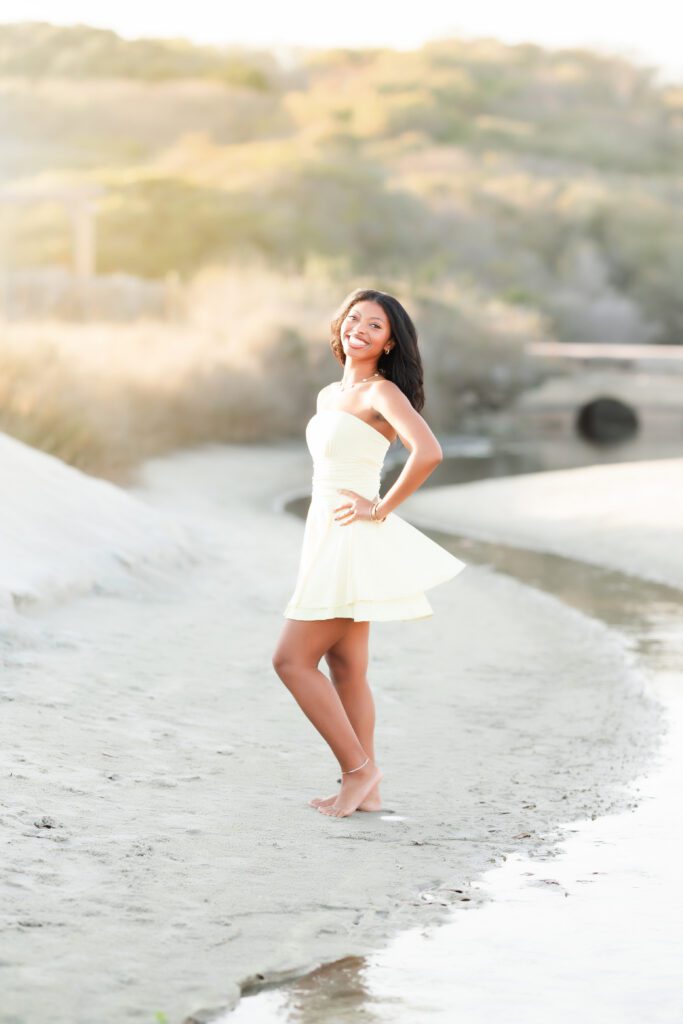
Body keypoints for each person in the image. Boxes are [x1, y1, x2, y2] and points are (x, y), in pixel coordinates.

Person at [271, 288, 467, 818]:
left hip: (351, 535)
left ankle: (359, 771)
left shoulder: (382, 392)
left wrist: (378, 508)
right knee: (346, 668)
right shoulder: (328, 395)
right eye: (354, 318)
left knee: (290, 661)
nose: (360, 329)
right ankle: (368, 789)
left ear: (389, 342)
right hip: (324, 531)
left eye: (375, 325)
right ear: (340, 324)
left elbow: (428, 452)